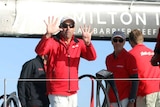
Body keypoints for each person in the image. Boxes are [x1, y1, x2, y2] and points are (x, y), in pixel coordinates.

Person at [35, 16, 97, 107]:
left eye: (71, 25)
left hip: (73, 90)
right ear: (60, 27)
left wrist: (88, 44)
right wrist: (48, 35)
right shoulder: (52, 41)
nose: (68, 28)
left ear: (74, 28)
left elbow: (92, 57)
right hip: (56, 90)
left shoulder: (79, 43)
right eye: (65, 25)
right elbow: (39, 51)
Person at [105, 31, 139, 107]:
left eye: (120, 40)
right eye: (115, 40)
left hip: (125, 99)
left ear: (124, 42)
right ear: (112, 42)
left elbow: (135, 80)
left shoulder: (130, 58)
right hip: (111, 99)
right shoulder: (108, 58)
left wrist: (132, 100)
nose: (117, 43)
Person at [128, 29, 160, 107]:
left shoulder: (130, 55)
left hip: (144, 92)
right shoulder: (153, 53)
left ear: (130, 41)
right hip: (158, 90)